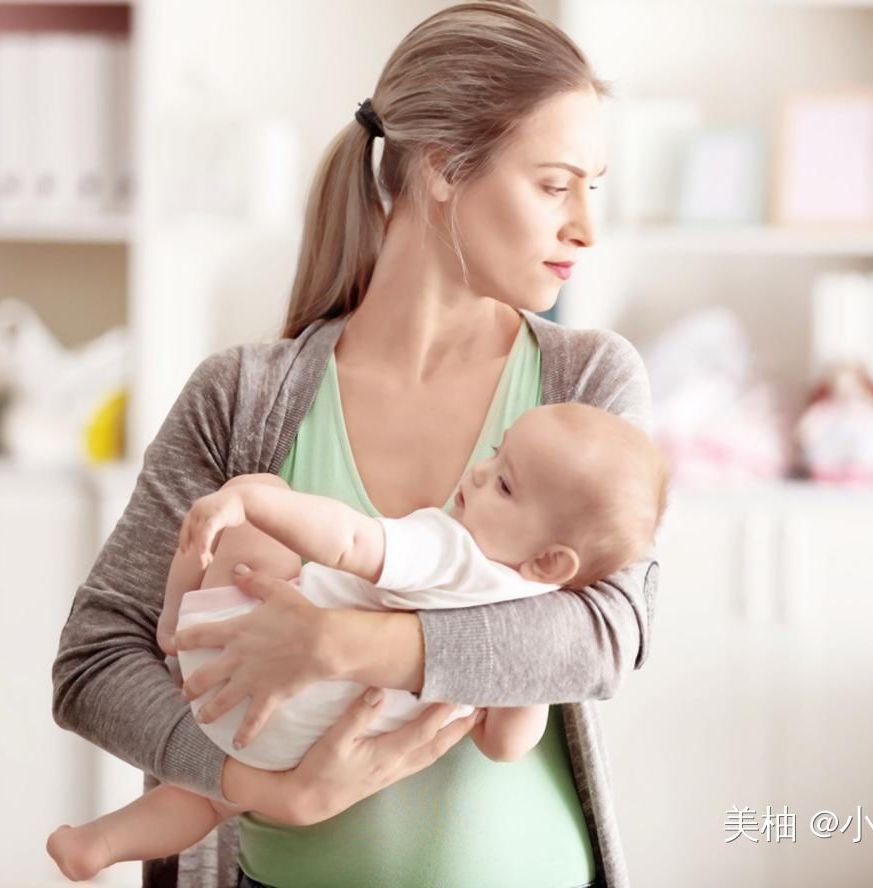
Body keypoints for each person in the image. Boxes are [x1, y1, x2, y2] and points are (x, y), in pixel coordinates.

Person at [51, 2, 660, 886]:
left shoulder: (585, 388)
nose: (585, 229)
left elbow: (603, 636)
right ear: (446, 169)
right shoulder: (242, 399)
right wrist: (257, 786)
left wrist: (338, 644)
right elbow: (96, 658)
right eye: (554, 184)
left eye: (590, 189)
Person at [46, 404, 668, 882]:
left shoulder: (450, 551)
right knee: (206, 803)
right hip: (298, 738)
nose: (479, 474)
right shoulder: (534, 621)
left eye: (504, 485)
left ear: (552, 560)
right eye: (495, 455)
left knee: (259, 524)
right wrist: (521, 676)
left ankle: (172, 623)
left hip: (236, 686)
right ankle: (97, 845)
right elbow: (507, 743)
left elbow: (350, 543)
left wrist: (256, 498)